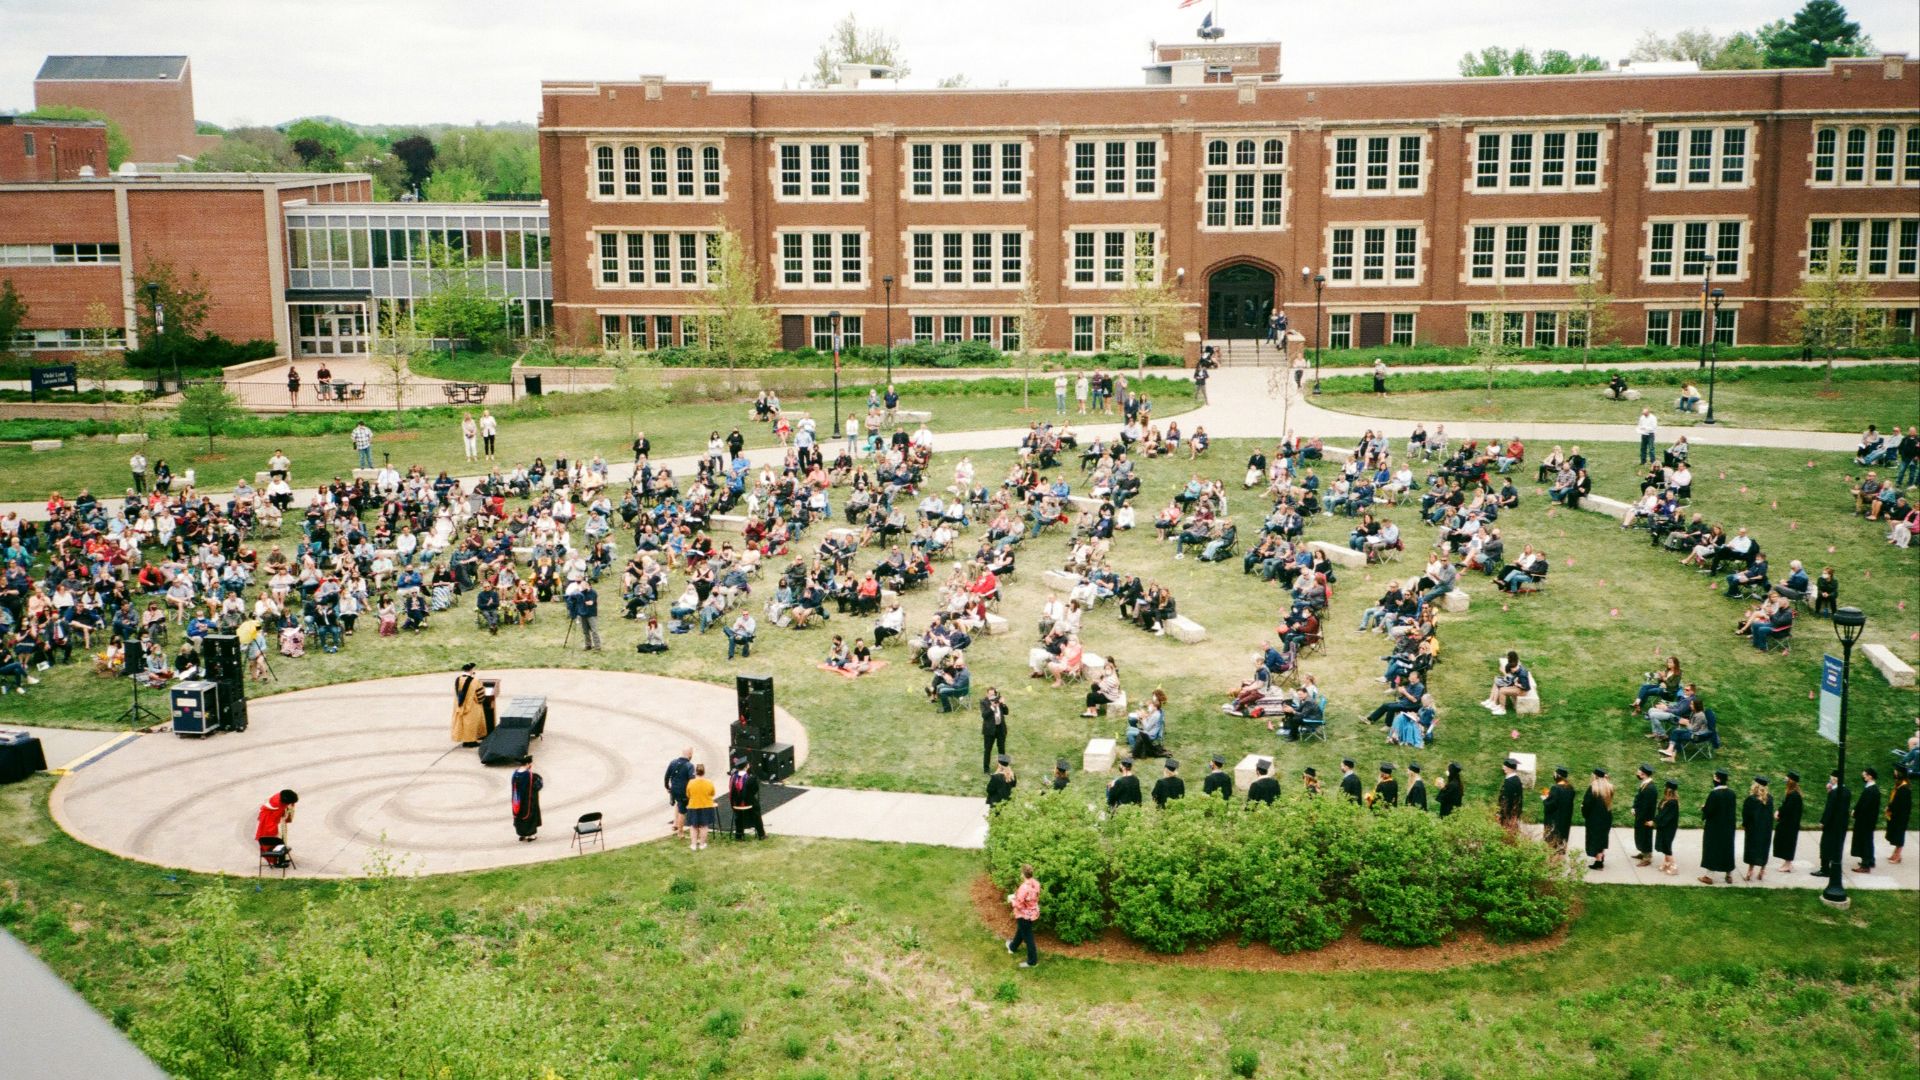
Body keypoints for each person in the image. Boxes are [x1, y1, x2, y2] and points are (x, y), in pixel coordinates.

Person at [1698, 769, 1737, 885]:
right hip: (1728, 827)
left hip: (1715, 827)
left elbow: (1709, 811)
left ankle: (1709, 876)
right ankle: (1729, 874)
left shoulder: (1714, 794)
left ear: (1718, 779)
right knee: (1727, 849)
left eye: (1715, 777)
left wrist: (1703, 808)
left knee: (1712, 849)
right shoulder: (1732, 793)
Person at [1005, 863, 1041, 969]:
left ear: (1022, 874)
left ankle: (1032, 962)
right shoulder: (1036, 883)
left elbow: (1019, 905)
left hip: (1024, 915)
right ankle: (1012, 947)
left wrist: (1012, 900)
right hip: (1033, 912)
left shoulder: (1024, 887)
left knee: (1028, 938)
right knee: (1021, 930)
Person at [1818, 769, 1850, 878]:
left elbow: (1829, 809)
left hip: (1831, 825)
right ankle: (1835, 867)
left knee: (1826, 845)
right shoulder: (1847, 792)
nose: (1830, 779)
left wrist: (1823, 822)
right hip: (1841, 825)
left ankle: (1825, 869)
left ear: (1835, 779)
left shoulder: (1834, 793)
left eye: (1831, 777)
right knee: (1837, 846)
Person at [1741, 776, 1773, 881]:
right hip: (1766, 829)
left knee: (1752, 849)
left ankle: (1750, 871)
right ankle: (1762, 871)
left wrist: (1745, 825)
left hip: (1753, 829)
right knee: (1764, 849)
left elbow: (1746, 815)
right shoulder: (1770, 799)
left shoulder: (1751, 799)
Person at [254, 788, 298, 866]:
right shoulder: (278, 805)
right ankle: (278, 862)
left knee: (282, 839)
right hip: (270, 822)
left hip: (273, 819)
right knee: (278, 839)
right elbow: (273, 821)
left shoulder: (282, 797)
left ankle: (282, 859)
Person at [1582, 768, 1614, 871]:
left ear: (1595, 776)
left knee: (1595, 839)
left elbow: (1587, 804)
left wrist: (1583, 810)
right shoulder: (1609, 787)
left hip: (1594, 818)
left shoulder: (1593, 788)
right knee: (1603, 838)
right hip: (1606, 817)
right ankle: (1601, 855)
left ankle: (1598, 862)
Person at [727, 756, 765, 840]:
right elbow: (755, 790)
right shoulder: (751, 778)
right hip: (748, 803)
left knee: (739, 814)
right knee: (756, 810)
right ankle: (761, 834)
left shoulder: (733, 777)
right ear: (747, 766)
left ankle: (739, 835)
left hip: (735, 804)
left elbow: (731, 790)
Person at [1774, 770, 1805, 873]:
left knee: (1787, 843)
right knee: (1787, 843)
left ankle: (1787, 864)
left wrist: (1779, 814)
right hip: (1789, 823)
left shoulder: (1794, 795)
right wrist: (1779, 811)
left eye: (1787, 779)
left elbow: (1787, 809)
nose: (1785, 780)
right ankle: (1787, 863)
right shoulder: (1793, 794)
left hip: (1789, 824)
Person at [1852, 767, 1881, 873]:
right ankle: (1870, 860)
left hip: (1865, 821)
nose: (1863, 777)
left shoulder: (1872, 791)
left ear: (1870, 776)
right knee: (1868, 841)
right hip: (1868, 821)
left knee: (1864, 842)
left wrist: (1856, 812)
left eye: (1864, 775)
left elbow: (1866, 807)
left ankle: (1865, 865)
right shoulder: (1871, 788)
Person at [450, 662, 487, 746]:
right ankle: (471, 741)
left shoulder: (458, 679)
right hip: (472, 706)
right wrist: (481, 701)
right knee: (471, 723)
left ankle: (465, 741)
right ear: (471, 670)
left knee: (463, 723)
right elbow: (480, 695)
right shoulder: (475, 681)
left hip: (460, 706)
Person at [1541, 767, 1575, 852]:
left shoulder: (1555, 788)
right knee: (1561, 840)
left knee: (1552, 842)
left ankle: (1553, 861)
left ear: (1558, 776)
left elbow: (1551, 805)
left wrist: (1545, 798)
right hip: (1565, 819)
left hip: (1555, 820)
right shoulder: (1570, 788)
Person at [684, 762, 716, 851]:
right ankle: (702, 844)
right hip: (706, 806)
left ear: (695, 772)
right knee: (704, 826)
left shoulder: (691, 782)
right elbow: (713, 793)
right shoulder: (709, 782)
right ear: (704, 772)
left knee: (693, 826)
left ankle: (693, 845)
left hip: (693, 806)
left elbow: (688, 794)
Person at [1631, 764, 1659, 866]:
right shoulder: (1645, 784)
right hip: (1641, 815)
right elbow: (1638, 798)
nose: (1637, 773)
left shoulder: (1650, 789)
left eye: (1638, 771)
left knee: (1645, 836)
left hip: (1645, 818)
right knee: (1640, 835)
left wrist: (1640, 816)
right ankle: (1643, 853)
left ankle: (1647, 858)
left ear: (1643, 774)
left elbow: (1647, 807)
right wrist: (1634, 807)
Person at [511, 757, 543, 842]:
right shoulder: (529, 775)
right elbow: (535, 787)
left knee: (519, 816)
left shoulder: (515, 773)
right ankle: (530, 835)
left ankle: (522, 834)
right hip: (527, 800)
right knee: (529, 815)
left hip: (516, 800)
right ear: (528, 764)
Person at [664, 747, 695, 837]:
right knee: (683, 811)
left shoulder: (673, 762)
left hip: (674, 790)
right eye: (691, 754)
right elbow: (692, 780)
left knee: (678, 804)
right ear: (689, 754)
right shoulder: (689, 766)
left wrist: (667, 787)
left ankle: (675, 824)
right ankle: (680, 832)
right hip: (683, 792)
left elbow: (666, 776)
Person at [1885, 766, 1912, 864]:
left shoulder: (1904, 789)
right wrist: (1889, 806)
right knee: (1896, 835)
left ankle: (1898, 856)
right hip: (1897, 815)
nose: (1894, 773)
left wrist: (1891, 808)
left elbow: (1901, 805)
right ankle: (1895, 854)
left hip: (1901, 816)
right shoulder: (1900, 785)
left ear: (1900, 774)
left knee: (1899, 836)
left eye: (1895, 772)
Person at [980, 688, 1010, 774]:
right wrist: (992, 707)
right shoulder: (984, 702)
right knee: (988, 749)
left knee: (1002, 748)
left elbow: (1006, 712)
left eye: (993, 694)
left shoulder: (998, 701)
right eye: (990, 694)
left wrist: (1003, 704)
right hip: (989, 730)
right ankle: (986, 769)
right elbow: (984, 715)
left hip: (1000, 728)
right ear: (987, 694)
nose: (992, 696)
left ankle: (1003, 766)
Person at [1655, 779, 1681, 876]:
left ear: (1669, 790)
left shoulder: (1673, 803)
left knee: (1666, 846)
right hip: (1664, 827)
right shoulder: (1665, 799)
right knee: (1665, 845)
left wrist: (1654, 822)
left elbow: (1665, 817)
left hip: (1668, 828)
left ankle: (1674, 866)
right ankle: (1666, 863)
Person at [1498, 757, 1523, 829]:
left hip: (1508, 813)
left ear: (1509, 768)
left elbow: (1507, 799)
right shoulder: (1516, 779)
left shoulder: (1510, 782)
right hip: (1514, 811)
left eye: (1504, 766)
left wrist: (1502, 813)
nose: (1503, 768)